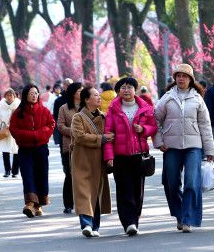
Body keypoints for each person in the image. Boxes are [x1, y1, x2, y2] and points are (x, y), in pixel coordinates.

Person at [153, 63, 214, 233]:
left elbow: (205, 125)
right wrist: (159, 141)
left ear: (190, 80)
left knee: (191, 182)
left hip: (193, 146)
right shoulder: (167, 97)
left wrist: (210, 150)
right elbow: (155, 119)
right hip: (171, 147)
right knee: (171, 183)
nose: (180, 78)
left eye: (184, 76)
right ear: (175, 79)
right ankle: (179, 214)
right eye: (178, 76)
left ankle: (187, 219)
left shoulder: (197, 99)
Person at [104, 77, 158, 236]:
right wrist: (109, 156)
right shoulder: (113, 109)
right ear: (118, 91)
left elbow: (153, 127)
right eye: (123, 88)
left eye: (129, 87)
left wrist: (144, 129)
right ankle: (129, 222)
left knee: (138, 191)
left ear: (135, 90)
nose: (126, 90)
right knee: (124, 190)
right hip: (120, 157)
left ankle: (135, 218)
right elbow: (108, 135)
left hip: (139, 156)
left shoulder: (145, 108)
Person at [71, 86, 113, 238]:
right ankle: (86, 224)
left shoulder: (104, 117)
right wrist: (101, 139)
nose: (99, 97)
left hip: (99, 161)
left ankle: (95, 226)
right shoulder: (78, 117)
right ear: (86, 99)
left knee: (97, 193)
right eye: (95, 95)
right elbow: (80, 136)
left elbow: (111, 136)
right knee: (84, 192)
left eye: (98, 95)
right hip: (82, 161)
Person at [9, 84, 56, 218]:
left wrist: (39, 134)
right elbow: (14, 130)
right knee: (28, 175)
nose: (34, 96)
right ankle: (29, 203)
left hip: (41, 149)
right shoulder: (18, 113)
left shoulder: (44, 110)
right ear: (25, 96)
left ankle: (38, 205)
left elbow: (51, 124)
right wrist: (30, 135)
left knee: (41, 175)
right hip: (25, 149)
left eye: (36, 93)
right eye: (31, 93)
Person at [57, 81, 83, 214]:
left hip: (86, 146)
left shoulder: (87, 106)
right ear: (73, 93)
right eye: (79, 90)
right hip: (70, 146)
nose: (81, 92)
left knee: (85, 175)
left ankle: (83, 202)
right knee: (70, 175)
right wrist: (74, 132)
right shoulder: (64, 108)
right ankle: (68, 203)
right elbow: (60, 126)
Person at [0, 88, 21, 178]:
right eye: (8, 95)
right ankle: (7, 170)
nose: (9, 97)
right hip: (5, 131)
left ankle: (15, 171)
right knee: (5, 151)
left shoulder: (18, 106)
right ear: (5, 97)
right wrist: (3, 126)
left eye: (11, 95)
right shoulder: (1, 107)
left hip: (16, 131)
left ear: (14, 96)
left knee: (16, 151)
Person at [52, 78, 73, 146]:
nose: (69, 86)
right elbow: (56, 116)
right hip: (63, 130)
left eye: (70, 85)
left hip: (76, 129)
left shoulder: (78, 98)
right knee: (65, 153)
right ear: (64, 86)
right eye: (67, 85)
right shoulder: (58, 100)